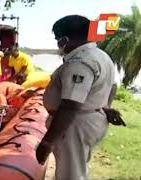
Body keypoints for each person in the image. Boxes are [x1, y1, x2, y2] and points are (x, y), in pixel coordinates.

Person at [34, 15, 122, 180]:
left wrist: (48, 140)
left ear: (65, 39)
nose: (58, 44)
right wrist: (105, 105)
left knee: (70, 174)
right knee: (77, 167)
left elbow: (70, 105)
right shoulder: (101, 55)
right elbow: (113, 86)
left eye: (57, 39)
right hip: (89, 118)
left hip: (74, 124)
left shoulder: (80, 62)